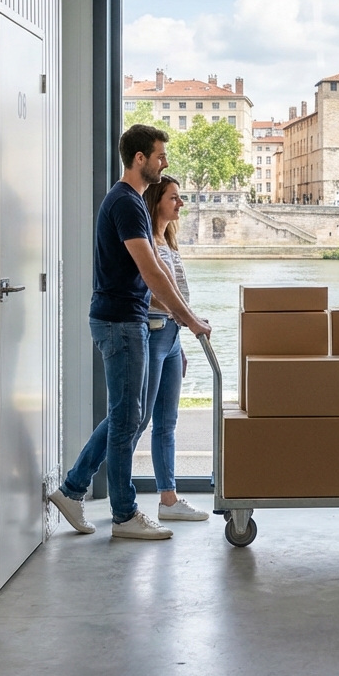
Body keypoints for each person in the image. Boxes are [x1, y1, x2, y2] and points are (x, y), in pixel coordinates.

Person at [47, 125, 211, 540]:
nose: (165, 162)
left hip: (126, 320)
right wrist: (188, 319)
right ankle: (123, 515)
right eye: (159, 156)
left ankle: (72, 489)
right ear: (139, 158)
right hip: (121, 323)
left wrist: (183, 316)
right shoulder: (126, 203)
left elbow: (158, 274)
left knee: (127, 415)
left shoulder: (131, 201)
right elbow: (152, 271)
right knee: (126, 420)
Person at [133, 174, 209, 522]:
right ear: (156, 201)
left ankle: (169, 499)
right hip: (153, 332)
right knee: (136, 419)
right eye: (174, 198)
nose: (180, 203)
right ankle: (90, 483)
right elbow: (152, 292)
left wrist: (183, 331)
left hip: (172, 336)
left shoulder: (168, 240)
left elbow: (176, 289)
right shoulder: (146, 241)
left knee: (167, 422)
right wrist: (186, 319)